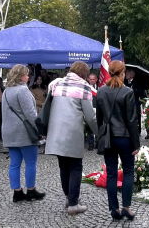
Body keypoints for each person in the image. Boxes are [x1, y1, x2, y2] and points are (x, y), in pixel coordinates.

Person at [45, 61, 97, 215]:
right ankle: (73, 204)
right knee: (75, 167)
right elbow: (90, 117)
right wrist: (99, 133)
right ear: (83, 74)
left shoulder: (57, 84)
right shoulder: (83, 87)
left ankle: (68, 197)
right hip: (72, 133)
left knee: (64, 167)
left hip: (55, 133)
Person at [97, 60, 140, 220]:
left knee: (111, 174)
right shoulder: (127, 92)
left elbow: (99, 119)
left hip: (108, 137)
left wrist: (99, 138)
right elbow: (131, 121)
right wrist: (136, 143)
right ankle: (126, 208)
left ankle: (114, 209)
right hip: (124, 138)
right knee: (128, 172)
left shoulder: (101, 91)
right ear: (122, 73)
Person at [2, 64, 45, 202]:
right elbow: (31, 114)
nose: (29, 76)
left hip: (9, 131)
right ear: (21, 76)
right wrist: (40, 129)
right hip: (24, 132)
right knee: (31, 162)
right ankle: (31, 190)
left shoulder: (6, 91)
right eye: (27, 74)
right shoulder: (22, 90)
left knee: (14, 163)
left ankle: (17, 192)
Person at [124, 69, 147, 138]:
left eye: (127, 74)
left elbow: (140, 92)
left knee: (136, 116)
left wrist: (133, 90)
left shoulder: (137, 82)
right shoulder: (124, 82)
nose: (126, 75)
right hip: (126, 102)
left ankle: (138, 131)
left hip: (135, 101)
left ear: (131, 75)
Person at [86, 73, 99, 149]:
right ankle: (90, 144)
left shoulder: (100, 87)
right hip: (89, 109)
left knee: (98, 126)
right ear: (88, 79)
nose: (92, 81)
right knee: (89, 127)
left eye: (93, 79)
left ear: (96, 79)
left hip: (98, 108)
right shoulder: (86, 88)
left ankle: (98, 142)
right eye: (90, 79)